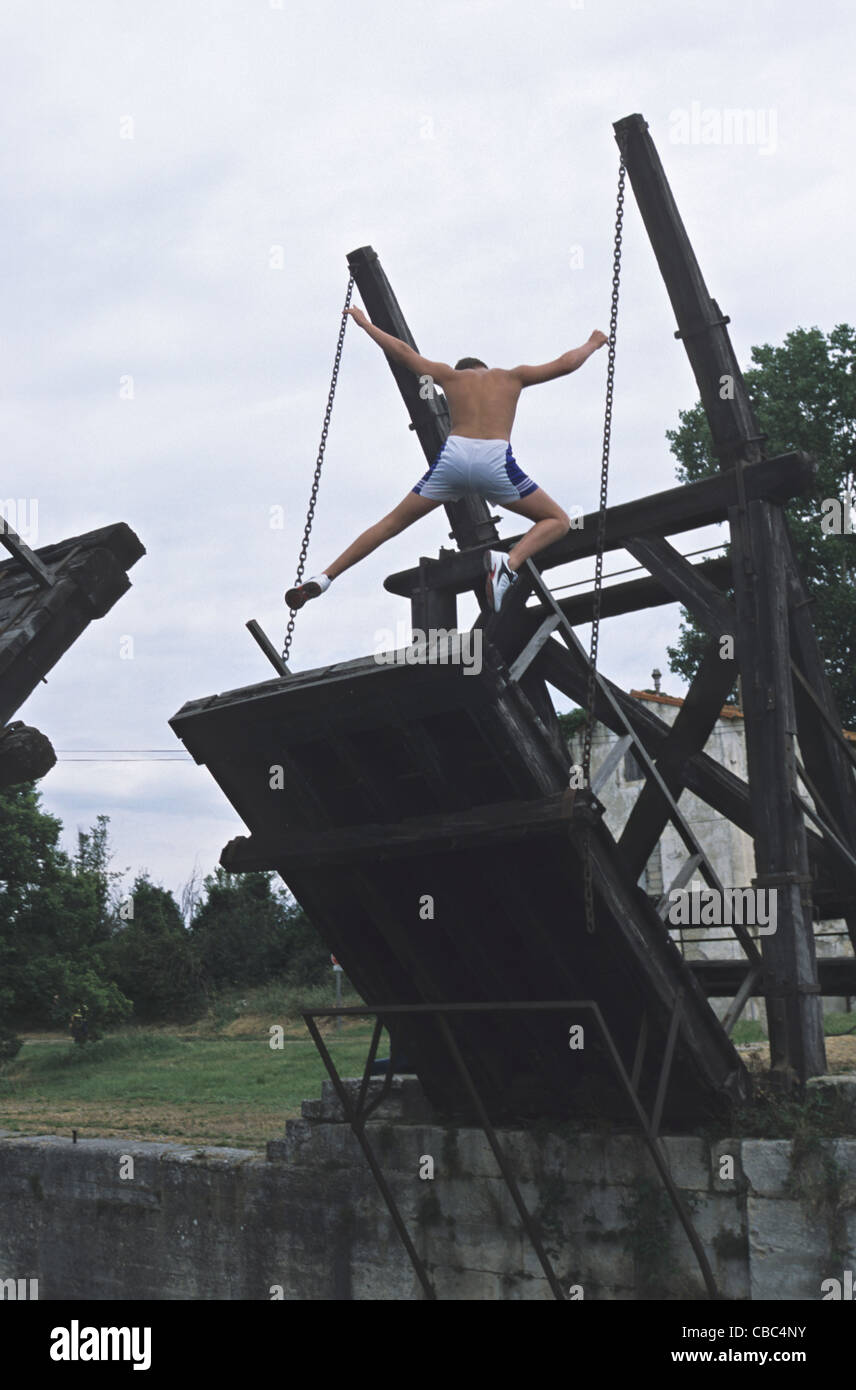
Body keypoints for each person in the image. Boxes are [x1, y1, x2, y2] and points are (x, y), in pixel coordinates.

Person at [286, 308, 608, 614]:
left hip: (453, 460)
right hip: (494, 460)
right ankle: (508, 564)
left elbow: (402, 352)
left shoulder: (450, 377)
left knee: (389, 525)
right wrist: (593, 343)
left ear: (464, 368)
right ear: (485, 367)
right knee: (558, 521)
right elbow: (566, 364)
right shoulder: (512, 377)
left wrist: (364, 323)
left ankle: (325, 577)